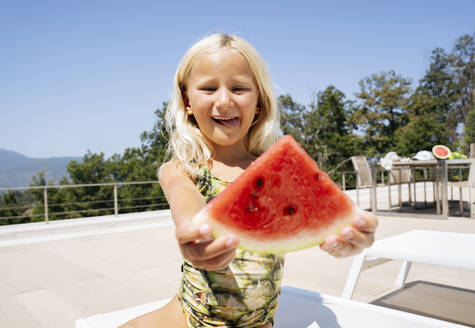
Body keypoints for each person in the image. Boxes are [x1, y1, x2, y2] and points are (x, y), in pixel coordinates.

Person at [120, 33, 378, 328]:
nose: (225, 100)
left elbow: (330, 228)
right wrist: (194, 234)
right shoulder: (180, 170)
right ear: (187, 101)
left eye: (239, 88)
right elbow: (185, 204)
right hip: (187, 317)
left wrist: (346, 238)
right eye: (208, 88)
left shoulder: (276, 174)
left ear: (259, 103)